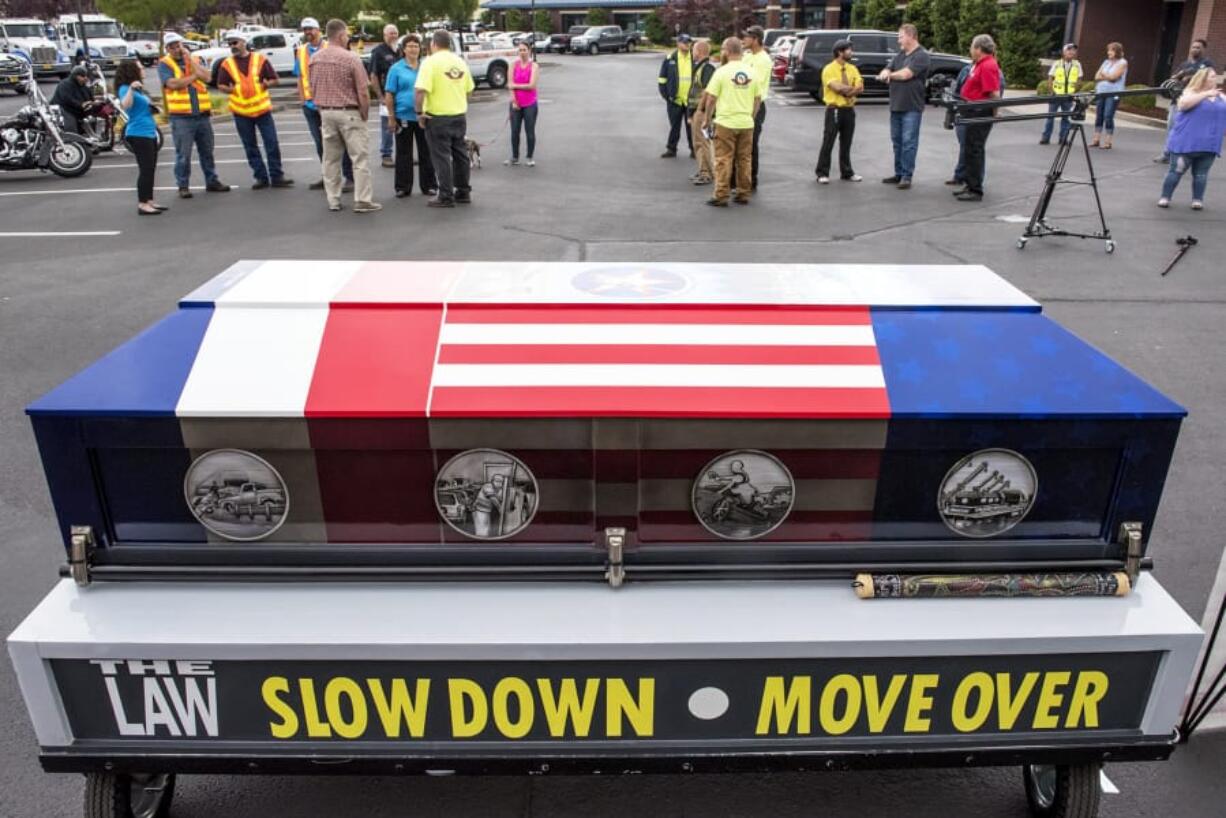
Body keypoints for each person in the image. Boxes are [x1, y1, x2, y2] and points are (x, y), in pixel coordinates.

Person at [309, 19, 381, 213]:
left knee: (330, 159)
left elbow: (312, 87)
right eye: (347, 35)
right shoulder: (351, 58)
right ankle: (362, 200)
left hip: (326, 111)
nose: (348, 38)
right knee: (359, 158)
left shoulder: (314, 58)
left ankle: (333, 199)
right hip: (349, 111)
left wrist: (321, 108)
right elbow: (363, 90)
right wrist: (364, 112)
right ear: (341, 36)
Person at [211, 32, 292, 191]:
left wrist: (265, 85)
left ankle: (277, 176)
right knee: (250, 146)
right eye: (230, 44)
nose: (232, 46)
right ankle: (260, 177)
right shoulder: (227, 64)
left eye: (235, 42)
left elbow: (275, 79)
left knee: (271, 143)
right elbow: (220, 85)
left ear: (244, 42)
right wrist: (230, 90)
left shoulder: (259, 59)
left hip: (262, 110)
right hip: (241, 112)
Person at [158, 32, 229, 199]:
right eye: (172, 47)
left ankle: (211, 180)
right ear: (167, 49)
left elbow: (208, 77)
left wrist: (190, 62)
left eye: (178, 45)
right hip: (182, 116)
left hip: (202, 115)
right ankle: (183, 185)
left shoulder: (193, 60)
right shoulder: (165, 64)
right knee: (184, 154)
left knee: (207, 151)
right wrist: (193, 77)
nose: (177, 49)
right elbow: (173, 84)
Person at [415, 29, 475, 208]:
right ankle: (463, 191)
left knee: (441, 157)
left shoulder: (430, 63)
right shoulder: (459, 62)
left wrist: (419, 113)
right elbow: (469, 89)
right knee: (460, 155)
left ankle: (446, 194)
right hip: (458, 115)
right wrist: (460, 103)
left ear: (433, 44)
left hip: (438, 117)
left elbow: (420, 91)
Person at [295, 17, 353, 192]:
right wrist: (302, 100)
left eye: (310, 29)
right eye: (305, 30)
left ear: (319, 30)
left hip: (329, 103)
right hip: (311, 105)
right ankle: (327, 176)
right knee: (320, 144)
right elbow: (299, 76)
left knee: (339, 141)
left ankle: (349, 177)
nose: (308, 33)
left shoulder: (331, 47)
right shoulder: (301, 51)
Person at [701, 37, 760, 207]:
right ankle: (743, 192)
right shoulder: (751, 72)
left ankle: (721, 194)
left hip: (726, 122)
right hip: (746, 123)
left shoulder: (721, 72)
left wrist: (707, 120)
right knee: (744, 160)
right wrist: (752, 117)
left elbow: (711, 98)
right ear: (741, 52)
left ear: (727, 51)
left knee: (723, 159)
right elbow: (757, 99)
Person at [1158, 68, 1226, 210]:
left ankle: (1197, 199)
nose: (1216, 79)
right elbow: (1183, 105)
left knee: (1201, 174)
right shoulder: (1190, 93)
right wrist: (1206, 93)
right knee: (1176, 171)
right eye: (1212, 76)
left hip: (1209, 144)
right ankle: (1165, 197)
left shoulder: (1221, 97)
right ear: (1203, 79)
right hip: (1185, 142)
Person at [879, 24, 931, 189]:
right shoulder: (900, 55)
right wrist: (886, 71)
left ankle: (907, 176)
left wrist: (890, 75)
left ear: (911, 36)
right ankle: (899, 173)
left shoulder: (921, 56)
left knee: (909, 142)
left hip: (911, 107)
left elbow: (906, 74)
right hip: (896, 105)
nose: (898, 39)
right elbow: (888, 67)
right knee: (897, 141)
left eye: (901, 36)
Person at [384, 34, 436, 198]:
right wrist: (391, 117)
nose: (413, 49)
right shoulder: (396, 69)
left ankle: (429, 186)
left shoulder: (426, 67)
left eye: (416, 46)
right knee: (403, 153)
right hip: (403, 116)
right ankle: (403, 187)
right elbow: (389, 94)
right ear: (403, 49)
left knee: (426, 151)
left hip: (423, 116)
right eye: (410, 46)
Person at [953, 34, 1001, 203]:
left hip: (980, 112)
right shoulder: (979, 64)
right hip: (971, 110)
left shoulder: (988, 65)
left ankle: (975, 190)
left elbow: (994, 93)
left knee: (975, 150)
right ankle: (969, 183)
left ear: (979, 49)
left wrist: (994, 114)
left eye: (972, 47)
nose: (970, 50)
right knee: (968, 149)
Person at [114, 60, 164, 216]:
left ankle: (149, 200)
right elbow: (125, 105)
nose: (143, 70)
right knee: (145, 169)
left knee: (151, 168)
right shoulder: (125, 88)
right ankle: (142, 203)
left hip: (148, 131)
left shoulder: (139, 91)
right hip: (138, 133)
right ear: (132, 71)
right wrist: (130, 89)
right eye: (140, 68)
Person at [1156, 40, 1216, 163]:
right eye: (1193, 47)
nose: (1195, 49)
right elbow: (1173, 78)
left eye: (1198, 47)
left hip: (1193, 103)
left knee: (1188, 130)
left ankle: (1183, 156)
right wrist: (1183, 74)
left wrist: (1186, 76)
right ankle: (1167, 154)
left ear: (1204, 49)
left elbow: (1203, 77)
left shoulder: (1207, 64)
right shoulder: (1184, 64)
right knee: (1172, 128)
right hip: (1177, 100)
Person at [815, 39, 863, 184]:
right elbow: (836, 88)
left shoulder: (852, 68)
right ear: (839, 52)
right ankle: (822, 173)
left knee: (846, 142)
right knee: (829, 141)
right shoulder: (829, 69)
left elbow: (860, 87)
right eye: (848, 49)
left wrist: (848, 91)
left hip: (849, 109)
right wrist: (850, 90)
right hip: (834, 109)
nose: (851, 52)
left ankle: (847, 172)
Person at [737, 26, 772, 191]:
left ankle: (752, 180)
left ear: (756, 39)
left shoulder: (764, 59)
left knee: (751, 145)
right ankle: (740, 179)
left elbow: (751, 82)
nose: (743, 40)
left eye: (746, 37)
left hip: (755, 106)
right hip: (742, 104)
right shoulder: (747, 56)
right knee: (741, 145)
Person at [657, 34, 694, 158]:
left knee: (692, 128)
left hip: (690, 100)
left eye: (689, 42)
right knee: (674, 126)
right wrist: (667, 96)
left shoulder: (695, 58)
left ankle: (694, 150)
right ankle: (671, 149)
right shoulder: (670, 58)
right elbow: (662, 79)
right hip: (675, 100)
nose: (687, 44)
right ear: (678, 44)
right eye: (684, 42)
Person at [368, 23, 400, 168]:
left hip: (402, 96)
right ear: (384, 35)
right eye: (390, 33)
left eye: (395, 33)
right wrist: (380, 96)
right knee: (388, 126)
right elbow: (374, 76)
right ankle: (386, 155)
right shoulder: (378, 52)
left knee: (404, 126)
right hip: (388, 96)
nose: (393, 35)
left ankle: (404, 154)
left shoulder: (400, 50)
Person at [687, 39, 717, 185]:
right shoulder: (699, 67)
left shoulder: (706, 68)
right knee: (697, 143)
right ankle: (703, 170)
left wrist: (703, 114)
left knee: (702, 143)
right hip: (696, 112)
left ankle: (706, 173)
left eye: (693, 50)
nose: (692, 52)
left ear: (699, 51)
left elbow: (708, 92)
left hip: (702, 112)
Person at [1041, 43, 1082, 145]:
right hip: (1056, 94)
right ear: (1064, 52)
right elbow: (1050, 77)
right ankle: (1046, 137)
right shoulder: (1057, 63)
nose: (1071, 52)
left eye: (1073, 50)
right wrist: (1051, 91)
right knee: (1050, 117)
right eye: (1069, 50)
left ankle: (1063, 138)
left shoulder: (1077, 64)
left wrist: (1074, 91)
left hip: (1068, 96)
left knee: (1066, 117)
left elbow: (1079, 79)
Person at [506, 42, 540, 166]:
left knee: (529, 131)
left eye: (524, 50)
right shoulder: (512, 65)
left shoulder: (534, 66)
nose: (522, 52)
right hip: (516, 103)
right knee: (514, 131)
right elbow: (510, 85)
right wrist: (514, 101)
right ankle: (515, 157)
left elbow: (532, 85)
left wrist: (516, 85)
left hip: (530, 103)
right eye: (520, 50)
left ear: (529, 50)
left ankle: (530, 157)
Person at [1092, 42, 1127, 149]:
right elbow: (1096, 76)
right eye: (1108, 50)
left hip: (1113, 93)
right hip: (1101, 91)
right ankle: (1096, 139)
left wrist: (1104, 75)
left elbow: (1114, 78)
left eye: (1111, 50)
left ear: (1117, 51)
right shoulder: (1106, 62)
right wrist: (1106, 76)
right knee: (1099, 115)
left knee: (1108, 115)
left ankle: (1108, 141)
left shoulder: (1122, 62)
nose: (1109, 52)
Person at [49, 66, 95, 135]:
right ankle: (72, 140)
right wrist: (81, 104)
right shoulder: (64, 84)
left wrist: (93, 102)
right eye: (82, 76)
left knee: (92, 117)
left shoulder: (83, 86)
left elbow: (89, 97)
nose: (85, 78)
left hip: (77, 110)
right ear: (76, 76)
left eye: (86, 76)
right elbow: (67, 99)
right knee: (71, 124)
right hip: (64, 109)